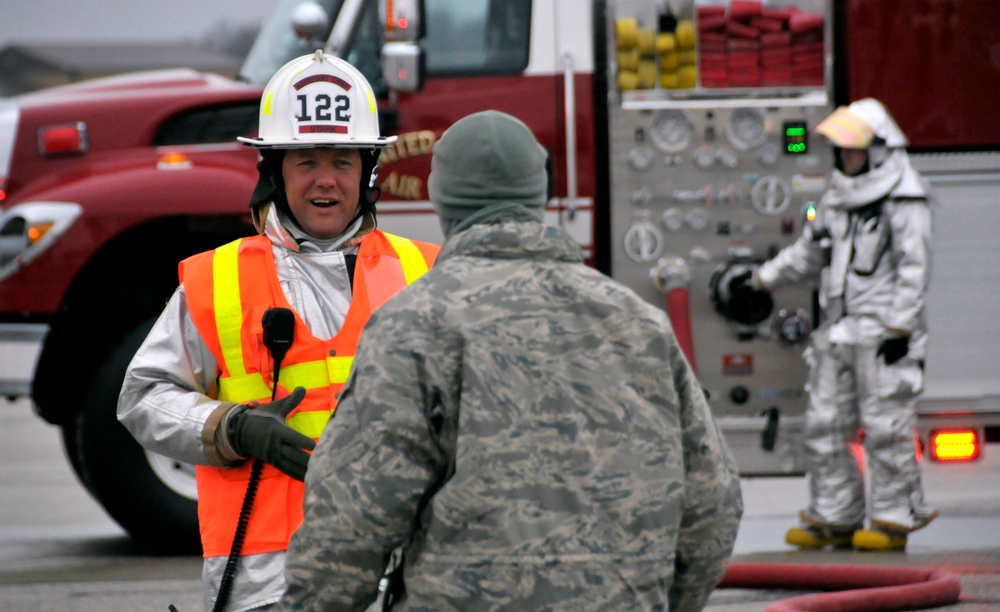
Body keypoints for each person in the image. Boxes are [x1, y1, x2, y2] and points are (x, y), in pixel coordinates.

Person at [280, 110, 743, 612]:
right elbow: (713, 506)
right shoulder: (639, 323)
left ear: (440, 198)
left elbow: (351, 519)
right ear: (539, 194)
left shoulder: (416, 323)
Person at [118, 50, 439, 612]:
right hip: (265, 584)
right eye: (304, 161)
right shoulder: (217, 279)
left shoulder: (427, 272)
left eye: (342, 161)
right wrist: (230, 427)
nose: (325, 181)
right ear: (273, 170)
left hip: (402, 577)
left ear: (367, 171)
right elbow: (142, 398)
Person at [733, 98, 936, 551]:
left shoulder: (905, 198)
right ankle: (835, 515)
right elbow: (809, 252)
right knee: (823, 423)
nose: (846, 159)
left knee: (885, 427)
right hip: (840, 330)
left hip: (884, 334)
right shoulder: (838, 199)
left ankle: (890, 518)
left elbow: (914, 270)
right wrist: (760, 280)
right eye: (842, 151)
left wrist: (900, 331)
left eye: (853, 151)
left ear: (879, 151)